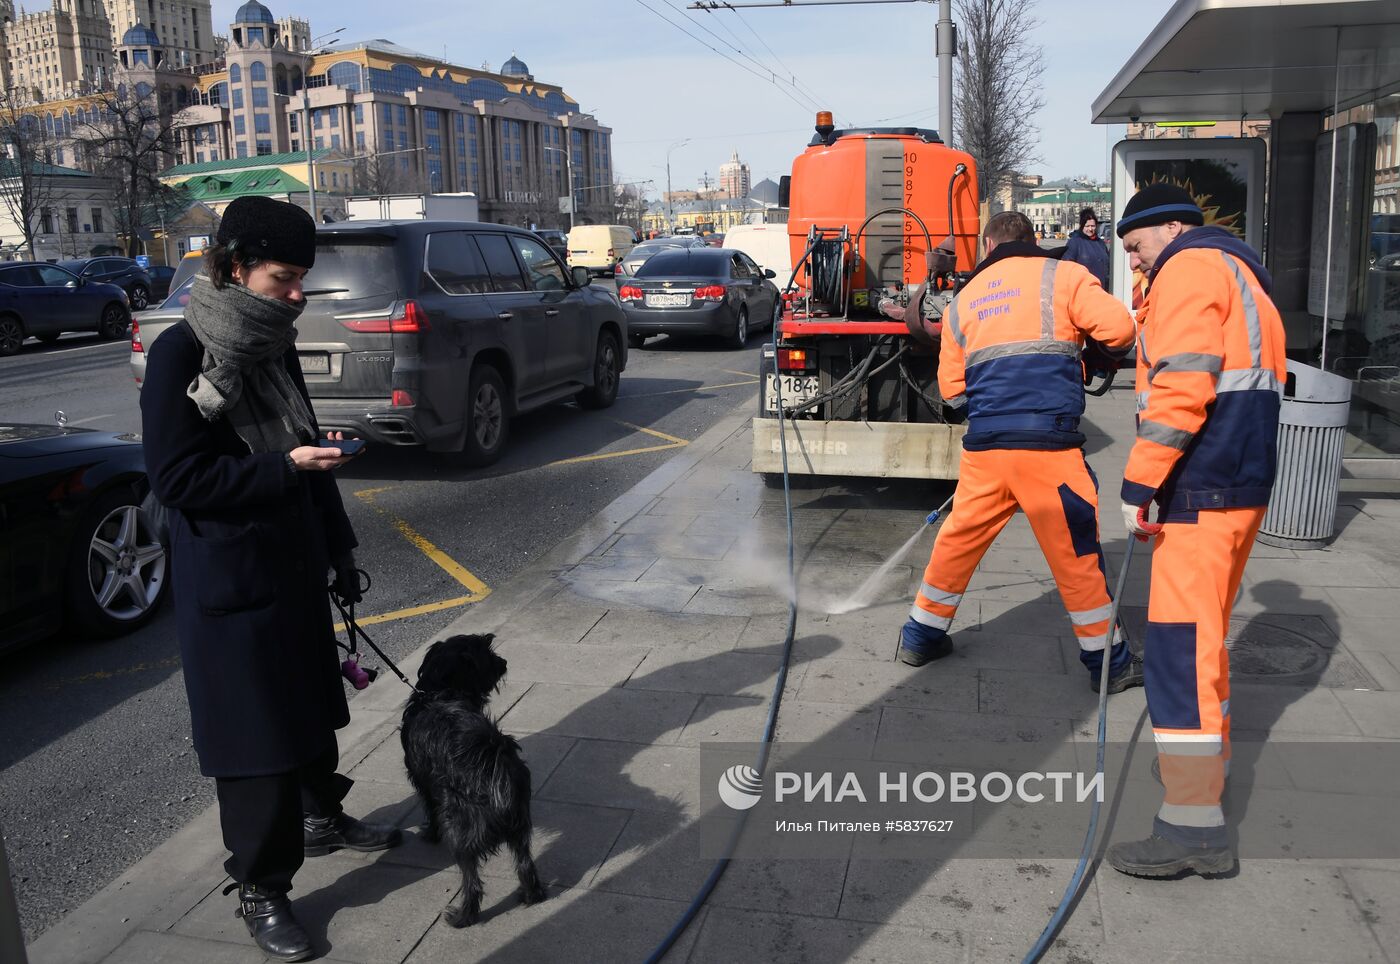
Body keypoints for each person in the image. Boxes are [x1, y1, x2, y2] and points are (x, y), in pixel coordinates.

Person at [141, 196, 401, 962]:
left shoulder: (275, 346)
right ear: (232, 268)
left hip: (293, 561)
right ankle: (261, 886)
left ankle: (321, 817)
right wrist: (282, 469)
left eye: (301, 280)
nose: (296, 295)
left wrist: (340, 550)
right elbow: (177, 479)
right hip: (230, 577)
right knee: (255, 742)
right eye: (283, 279)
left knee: (310, 711)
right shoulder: (179, 355)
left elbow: (306, 447)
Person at [1105, 183, 1286, 878]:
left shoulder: (1188, 271)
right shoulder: (1241, 274)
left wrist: (1140, 482)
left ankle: (1191, 825)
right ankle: (1206, 772)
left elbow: (1183, 385)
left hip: (1201, 485)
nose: (1134, 262)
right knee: (1205, 642)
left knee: (1179, 653)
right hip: (1238, 485)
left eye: (1137, 246)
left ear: (1172, 228)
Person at [898, 211, 1141, 695]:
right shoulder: (1065, 275)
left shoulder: (965, 300)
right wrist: (1086, 356)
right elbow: (1120, 331)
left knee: (958, 541)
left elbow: (952, 391)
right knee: (1075, 555)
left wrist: (994, 409)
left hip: (986, 450)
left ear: (989, 246)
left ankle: (920, 637)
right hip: (1049, 449)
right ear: (1032, 240)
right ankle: (1110, 665)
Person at [1063, 207, 1110, 290]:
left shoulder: (1100, 243)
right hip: (1083, 289)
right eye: (1087, 226)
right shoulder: (1074, 242)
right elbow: (1067, 267)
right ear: (1082, 226)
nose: (1090, 229)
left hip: (1101, 289)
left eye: (1093, 226)